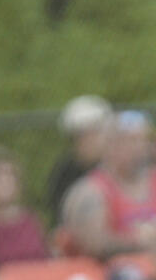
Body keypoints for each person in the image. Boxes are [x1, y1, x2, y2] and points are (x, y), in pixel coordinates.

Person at [60, 110, 156, 261]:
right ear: (109, 147)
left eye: (143, 140)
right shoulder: (91, 191)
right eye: (130, 141)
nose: (140, 148)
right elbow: (95, 244)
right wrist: (150, 240)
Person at [46, 95, 112, 225]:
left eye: (95, 132)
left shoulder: (116, 166)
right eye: (82, 135)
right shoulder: (64, 172)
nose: (90, 140)